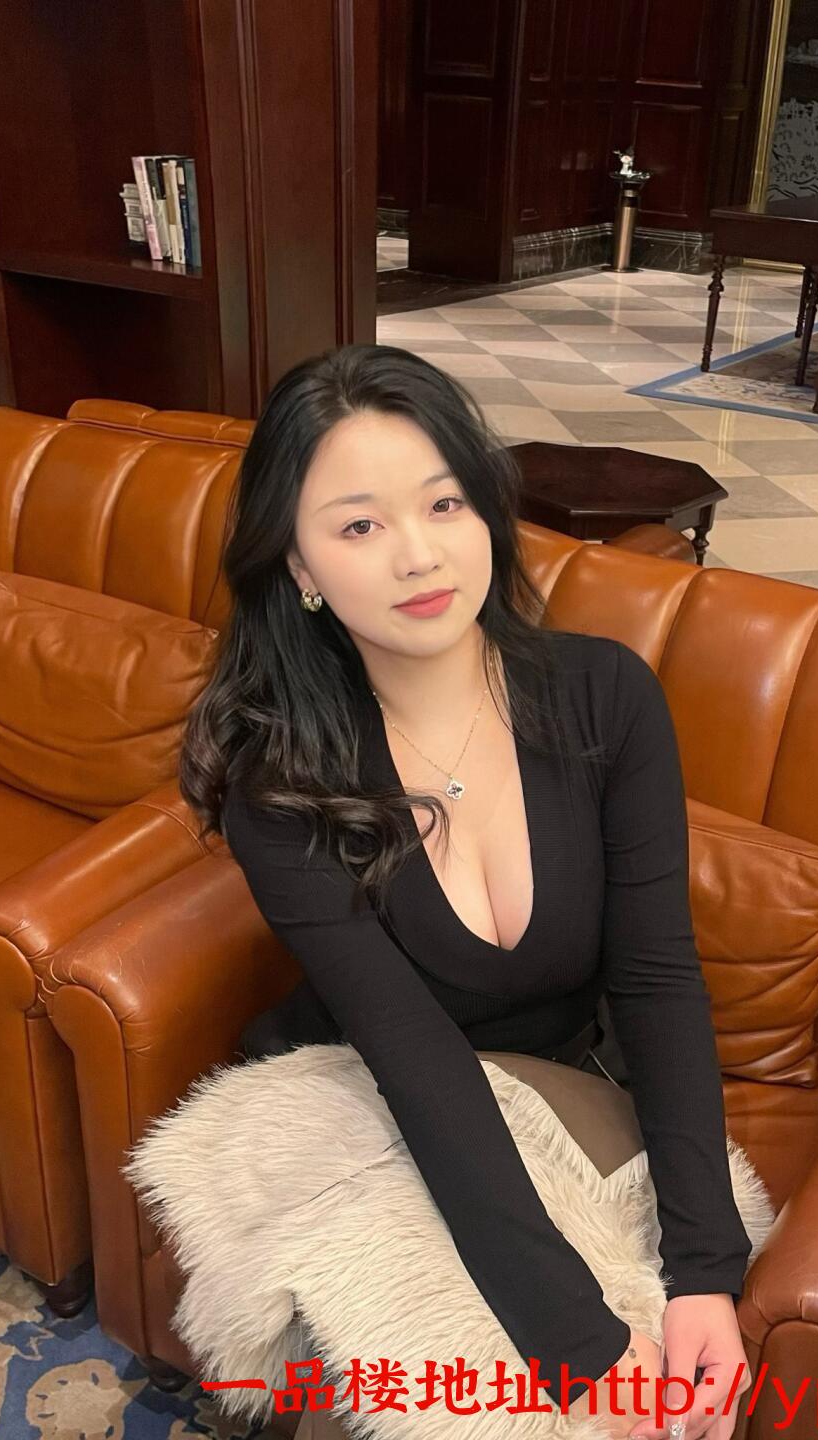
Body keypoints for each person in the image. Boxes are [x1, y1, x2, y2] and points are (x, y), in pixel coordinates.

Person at [178, 344, 752, 1440]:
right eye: (358, 526)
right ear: (298, 566)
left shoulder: (607, 698)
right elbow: (410, 1051)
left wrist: (705, 1272)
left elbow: (657, 980)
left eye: (444, 503)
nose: (419, 555)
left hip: (559, 1087)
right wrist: (572, 1341)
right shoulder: (279, 776)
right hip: (366, 1088)